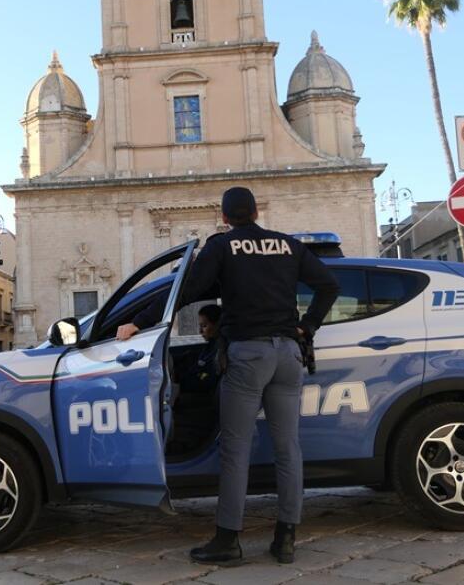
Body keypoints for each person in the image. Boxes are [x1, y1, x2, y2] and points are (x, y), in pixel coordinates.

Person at [117, 187, 339, 566]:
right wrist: (307, 326)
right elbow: (329, 285)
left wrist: (138, 321)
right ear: (256, 213)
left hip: (248, 355)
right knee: (288, 448)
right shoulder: (287, 245)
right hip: (288, 354)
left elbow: (186, 291)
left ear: (224, 218)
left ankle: (227, 541)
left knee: (235, 450)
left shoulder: (222, 246)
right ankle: (286, 538)